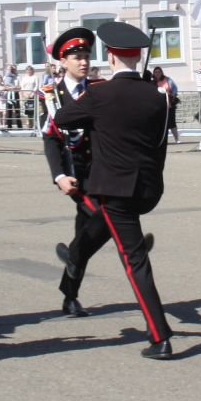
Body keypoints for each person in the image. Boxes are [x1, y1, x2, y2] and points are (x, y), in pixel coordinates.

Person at [49, 21, 178, 360]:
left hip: (114, 188)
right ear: (139, 56)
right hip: (148, 188)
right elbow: (161, 144)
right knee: (102, 228)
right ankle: (74, 255)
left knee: (136, 262)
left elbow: (62, 119)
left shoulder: (100, 94)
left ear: (111, 57)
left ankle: (160, 336)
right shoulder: (160, 96)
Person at [43, 27, 153, 317]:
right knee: (101, 217)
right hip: (77, 177)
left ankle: (70, 291)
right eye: (76, 57)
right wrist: (59, 176)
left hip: (104, 171)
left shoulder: (100, 89)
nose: (83, 62)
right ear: (62, 62)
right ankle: (132, 245)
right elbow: (51, 139)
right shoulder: (52, 95)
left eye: (86, 56)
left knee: (86, 233)